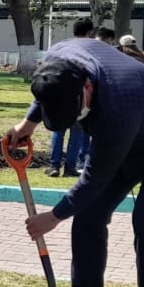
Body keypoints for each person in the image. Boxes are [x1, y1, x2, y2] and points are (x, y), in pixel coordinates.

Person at [4, 36, 144, 287]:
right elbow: (48, 89)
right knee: (88, 216)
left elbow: (94, 179)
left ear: (87, 87)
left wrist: (55, 216)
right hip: (133, 132)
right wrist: (28, 123)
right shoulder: (58, 60)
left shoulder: (118, 103)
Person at [47, 18, 96, 177]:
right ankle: (70, 168)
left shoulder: (62, 48)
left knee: (58, 131)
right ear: (89, 33)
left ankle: (54, 166)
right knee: (76, 133)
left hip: (59, 97)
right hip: (78, 99)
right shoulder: (89, 51)